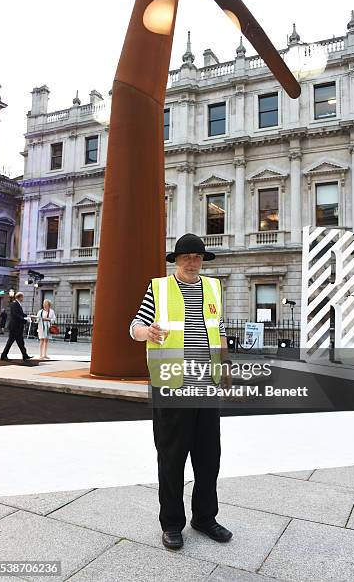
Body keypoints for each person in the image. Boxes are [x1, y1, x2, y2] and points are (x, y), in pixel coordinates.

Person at [130, 233, 233, 551]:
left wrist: (226, 366)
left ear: (203, 260)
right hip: (171, 387)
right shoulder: (158, 288)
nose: (192, 261)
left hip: (207, 386)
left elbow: (221, 329)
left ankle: (204, 518)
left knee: (208, 460)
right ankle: (172, 524)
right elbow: (134, 326)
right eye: (186, 256)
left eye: (197, 257)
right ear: (176, 260)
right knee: (171, 460)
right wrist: (147, 331)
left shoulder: (213, 287)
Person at [0, 292, 33, 363]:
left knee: (20, 342)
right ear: (19, 297)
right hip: (14, 327)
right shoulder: (15, 304)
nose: (23, 298)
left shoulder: (17, 304)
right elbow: (16, 315)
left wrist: (27, 316)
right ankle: (3, 355)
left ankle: (25, 355)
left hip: (17, 327)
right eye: (22, 297)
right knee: (10, 342)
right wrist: (24, 319)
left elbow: (20, 314)